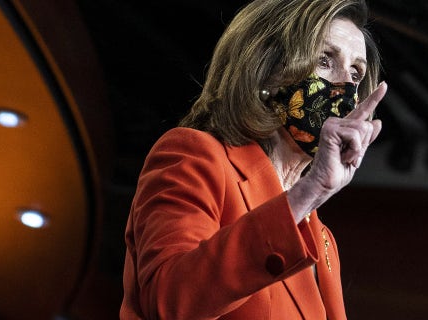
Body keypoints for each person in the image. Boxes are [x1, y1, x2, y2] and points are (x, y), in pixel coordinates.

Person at [120, 0, 388, 319]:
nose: (346, 87)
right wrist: (310, 191)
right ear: (267, 71)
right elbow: (171, 301)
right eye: (325, 60)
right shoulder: (193, 154)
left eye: (356, 73)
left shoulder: (321, 239)